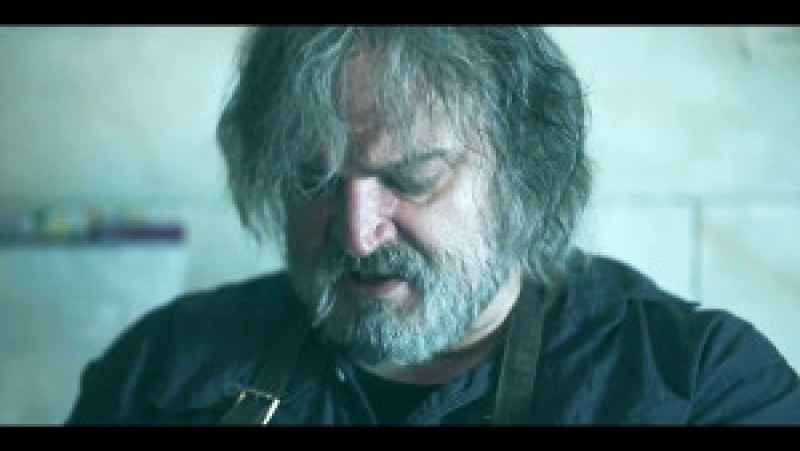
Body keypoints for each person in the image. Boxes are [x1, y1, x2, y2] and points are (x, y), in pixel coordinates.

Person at [66, 26, 800, 425]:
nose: (358, 234)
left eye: (412, 178)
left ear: (525, 179)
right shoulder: (156, 372)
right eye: (314, 183)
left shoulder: (702, 386)